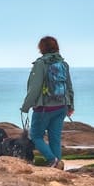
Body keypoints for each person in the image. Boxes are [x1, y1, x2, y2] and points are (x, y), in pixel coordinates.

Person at [21, 36, 74, 170]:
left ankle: (52, 159)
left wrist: (26, 106)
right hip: (61, 106)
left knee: (36, 135)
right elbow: (69, 86)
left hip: (44, 108)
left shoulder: (40, 64)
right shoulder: (63, 64)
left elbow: (35, 88)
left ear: (42, 48)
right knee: (54, 138)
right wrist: (70, 106)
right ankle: (58, 165)